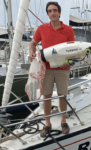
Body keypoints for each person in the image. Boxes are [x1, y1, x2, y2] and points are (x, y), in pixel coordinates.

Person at [29, 1, 75, 137]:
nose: (53, 13)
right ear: (48, 13)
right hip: (46, 69)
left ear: (59, 13)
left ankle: (63, 121)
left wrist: (69, 62)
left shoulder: (68, 30)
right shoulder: (41, 29)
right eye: (50, 11)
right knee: (46, 96)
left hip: (63, 69)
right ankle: (47, 124)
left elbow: (72, 50)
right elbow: (33, 43)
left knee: (62, 96)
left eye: (55, 10)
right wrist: (32, 52)